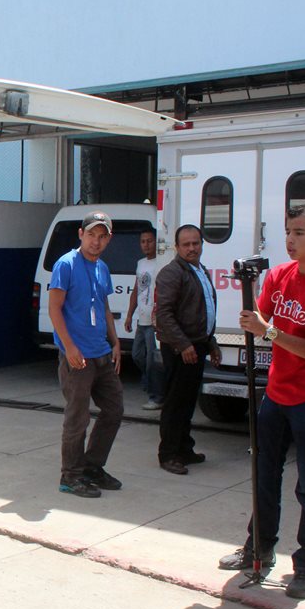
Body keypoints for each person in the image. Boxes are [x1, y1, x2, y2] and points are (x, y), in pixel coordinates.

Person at [219, 202, 305, 600]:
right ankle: (258, 548)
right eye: (288, 232)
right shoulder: (278, 275)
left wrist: (268, 330)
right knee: (264, 473)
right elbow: (256, 321)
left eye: (300, 233)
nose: (290, 241)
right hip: (276, 393)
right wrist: (254, 304)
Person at [48, 210, 124, 498]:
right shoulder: (65, 265)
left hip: (102, 353)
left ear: (108, 239)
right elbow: (55, 308)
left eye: (102, 236)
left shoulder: (102, 267)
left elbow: (103, 307)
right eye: (91, 235)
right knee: (77, 417)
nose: (96, 241)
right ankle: (70, 476)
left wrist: (115, 342)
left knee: (114, 410)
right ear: (81, 235)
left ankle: (92, 467)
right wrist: (69, 347)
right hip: (77, 358)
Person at [154, 224, 220, 475]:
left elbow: (204, 310)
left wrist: (210, 343)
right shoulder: (172, 273)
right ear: (177, 247)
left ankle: (184, 449)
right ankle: (168, 454)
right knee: (175, 403)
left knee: (188, 402)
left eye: (196, 243)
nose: (192, 248)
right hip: (180, 348)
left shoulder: (199, 270)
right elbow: (165, 315)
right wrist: (184, 345)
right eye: (186, 244)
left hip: (197, 344)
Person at [125, 227, 164, 411]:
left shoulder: (161, 262)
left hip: (154, 321)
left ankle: (155, 396)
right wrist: (129, 315)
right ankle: (149, 382)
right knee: (137, 355)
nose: (146, 244)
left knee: (152, 361)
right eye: (143, 241)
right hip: (141, 319)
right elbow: (136, 290)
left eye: (149, 241)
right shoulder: (140, 263)